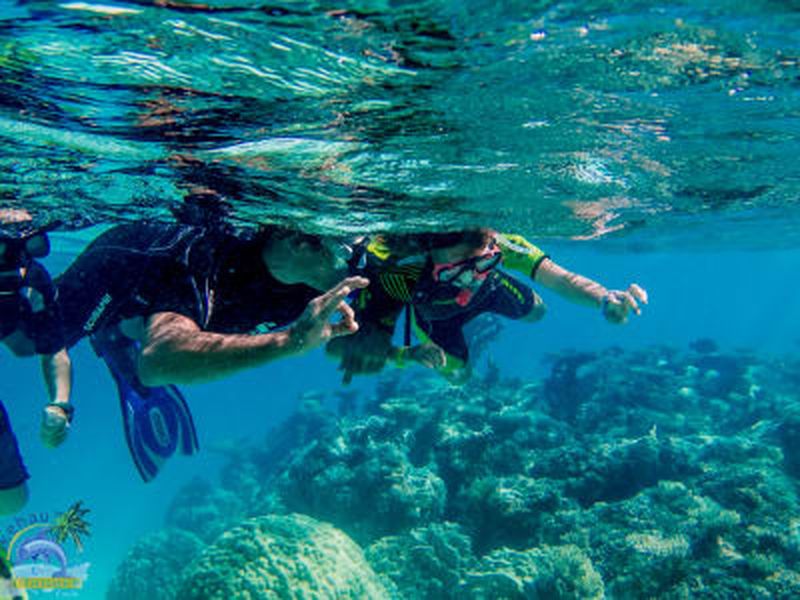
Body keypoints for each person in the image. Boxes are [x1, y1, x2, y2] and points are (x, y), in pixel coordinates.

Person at [54, 219, 366, 481]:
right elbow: (157, 362)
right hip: (112, 278)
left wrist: (376, 328)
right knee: (37, 337)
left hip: (169, 313)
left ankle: (123, 335)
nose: (361, 264)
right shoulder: (208, 256)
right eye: (349, 252)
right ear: (298, 242)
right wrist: (289, 342)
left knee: (157, 324)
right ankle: (115, 336)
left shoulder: (317, 281)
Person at [328, 229, 647, 381]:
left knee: (538, 311)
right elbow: (346, 345)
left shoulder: (502, 244)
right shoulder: (399, 272)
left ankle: (479, 315)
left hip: (489, 293)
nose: (470, 278)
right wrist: (405, 355)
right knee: (460, 377)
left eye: (485, 263)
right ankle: (469, 334)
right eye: (456, 271)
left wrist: (603, 298)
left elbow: (561, 279)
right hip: (437, 319)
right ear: (429, 256)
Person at [0, 209, 72, 514]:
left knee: (12, 499)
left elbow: (54, 349)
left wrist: (60, 404)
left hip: (13, 326)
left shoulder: (33, 280)